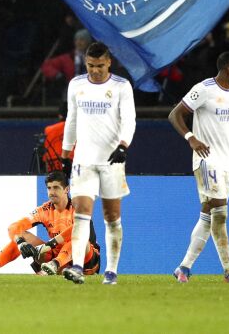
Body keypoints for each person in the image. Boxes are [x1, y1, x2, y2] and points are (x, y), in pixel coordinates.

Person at [167, 52, 229, 284]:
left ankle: (183, 267)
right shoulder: (204, 89)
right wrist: (191, 138)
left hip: (226, 161)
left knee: (209, 214)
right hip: (206, 159)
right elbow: (175, 114)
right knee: (220, 211)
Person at [60, 41, 135, 285]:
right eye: (91, 65)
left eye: (100, 65)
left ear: (109, 62)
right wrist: (65, 155)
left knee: (112, 216)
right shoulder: (76, 85)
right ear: (85, 62)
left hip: (112, 161)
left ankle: (111, 271)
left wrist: (123, 145)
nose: (95, 70)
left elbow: (129, 119)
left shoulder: (121, 86)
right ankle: (77, 267)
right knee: (81, 212)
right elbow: (71, 120)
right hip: (83, 160)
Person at [0, 171, 100, 276]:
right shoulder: (44, 210)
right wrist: (21, 242)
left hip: (85, 261)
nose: (51, 192)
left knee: (77, 240)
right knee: (23, 236)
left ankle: (55, 265)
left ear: (66, 189)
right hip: (54, 257)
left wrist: (49, 245)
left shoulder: (79, 207)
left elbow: (78, 229)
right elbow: (14, 227)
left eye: (56, 188)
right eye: (49, 188)